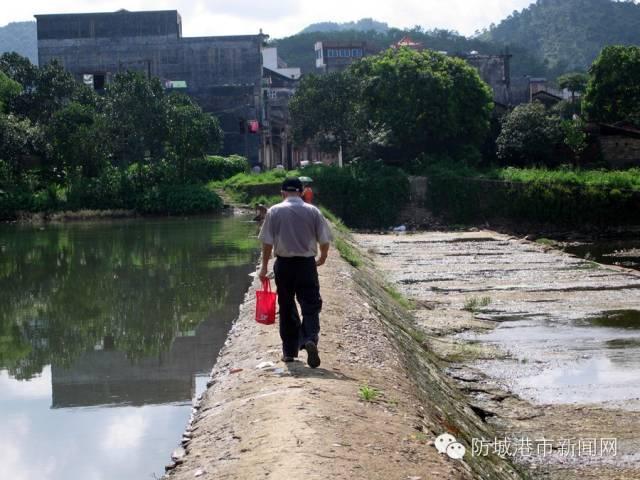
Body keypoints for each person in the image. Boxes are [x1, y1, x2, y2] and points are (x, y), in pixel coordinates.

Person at [258, 178, 332, 368]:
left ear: (282, 193)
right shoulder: (313, 211)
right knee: (310, 304)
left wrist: (264, 267)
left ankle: (289, 352)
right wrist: (322, 256)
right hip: (307, 265)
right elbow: (324, 239)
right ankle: (309, 339)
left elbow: (267, 242)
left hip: (284, 265)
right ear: (301, 192)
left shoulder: (274, 211)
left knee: (287, 305)